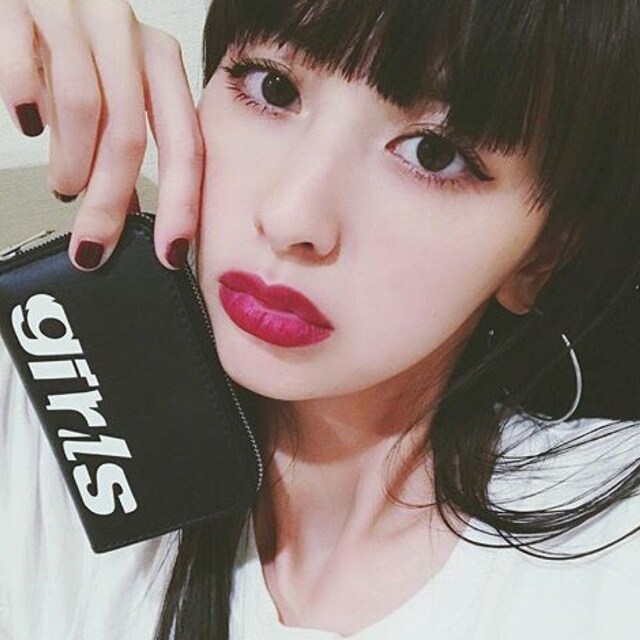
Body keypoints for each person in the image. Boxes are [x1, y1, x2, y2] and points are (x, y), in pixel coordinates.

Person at [1, 0, 640, 638]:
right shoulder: (44, 401)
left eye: (431, 153)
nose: (291, 217)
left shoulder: (609, 553)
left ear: (541, 256)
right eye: (272, 88)